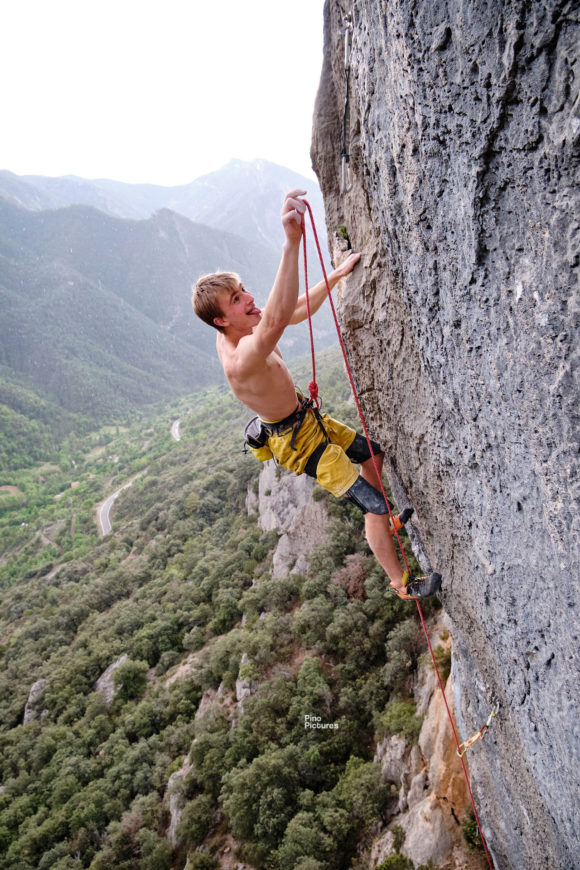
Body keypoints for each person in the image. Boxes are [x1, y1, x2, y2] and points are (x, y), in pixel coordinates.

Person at [192, 190, 441, 600]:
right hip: (298, 443)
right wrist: (291, 243)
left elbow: (295, 308)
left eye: (243, 289)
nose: (249, 299)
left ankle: (384, 524)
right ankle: (402, 583)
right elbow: (275, 319)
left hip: (307, 420)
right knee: (375, 505)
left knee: (372, 454)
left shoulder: (243, 325)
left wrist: (339, 273)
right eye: (237, 299)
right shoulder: (239, 360)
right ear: (221, 321)